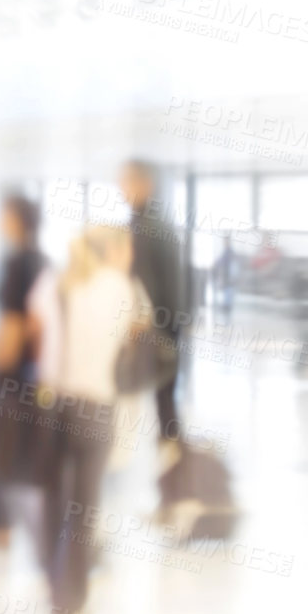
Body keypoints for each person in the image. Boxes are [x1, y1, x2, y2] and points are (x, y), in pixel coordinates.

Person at [40, 226, 140, 614]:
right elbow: (126, 342)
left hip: (54, 406)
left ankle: (54, 585)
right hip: (96, 408)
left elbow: (40, 337)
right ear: (113, 250)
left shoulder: (58, 282)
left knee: (54, 503)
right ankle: (70, 602)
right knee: (84, 508)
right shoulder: (120, 287)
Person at [0, 193, 51, 550]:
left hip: (10, 375)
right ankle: (32, 523)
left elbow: (13, 324)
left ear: (17, 220)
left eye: (3, 214)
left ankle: (0, 528)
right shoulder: (44, 261)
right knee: (29, 449)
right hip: (37, 373)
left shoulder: (15, 264)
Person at [118, 159, 185, 446]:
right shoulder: (157, 222)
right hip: (168, 320)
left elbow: (144, 283)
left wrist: (145, 324)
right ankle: (169, 443)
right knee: (165, 392)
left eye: (128, 182)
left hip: (158, 321)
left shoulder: (145, 226)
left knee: (158, 388)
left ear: (146, 184)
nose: (122, 189)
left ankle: (169, 446)